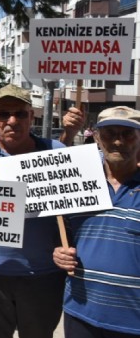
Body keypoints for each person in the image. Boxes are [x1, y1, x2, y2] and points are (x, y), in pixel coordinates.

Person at [0, 84, 66, 338]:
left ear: (32, 116)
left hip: (45, 274)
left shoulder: (57, 152)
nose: (12, 121)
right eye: (3, 114)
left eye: (20, 113)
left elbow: (74, 211)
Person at [53, 106, 140, 337]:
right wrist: (59, 253)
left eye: (128, 134)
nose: (118, 141)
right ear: (98, 138)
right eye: (110, 134)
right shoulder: (77, 184)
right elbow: (62, 236)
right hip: (80, 315)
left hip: (134, 323)